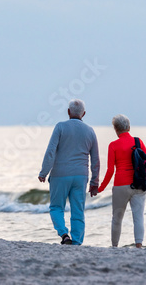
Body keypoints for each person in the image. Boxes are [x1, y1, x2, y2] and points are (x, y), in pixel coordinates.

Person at [38, 99, 100, 245]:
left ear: (68, 112)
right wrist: (94, 182)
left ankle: (64, 234)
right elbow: (96, 160)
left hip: (60, 174)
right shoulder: (90, 131)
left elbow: (50, 151)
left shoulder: (60, 127)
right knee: (78, 210)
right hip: (80, 176)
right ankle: (77, 242)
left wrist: (44, 172)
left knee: (56, 207)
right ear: (83, 113)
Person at [98, 114, 146, 248]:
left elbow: (110, 171)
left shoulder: (113, 145)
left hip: (121, 185)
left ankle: (115, 246)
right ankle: (139, 245)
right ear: (129, 127)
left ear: (115, 129)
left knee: (117, 218)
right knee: (138, 217)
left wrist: (100, 188)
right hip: (138, 184)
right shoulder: (138, 142)